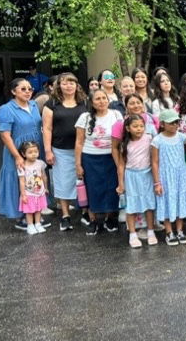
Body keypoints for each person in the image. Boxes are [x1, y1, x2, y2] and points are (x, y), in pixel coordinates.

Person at [0, 78, 45, 229]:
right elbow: (5, 135)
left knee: (35, 180)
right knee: (19, 180)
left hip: (34, 150)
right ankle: (21, 217)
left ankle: (35, 214)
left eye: (29, 89)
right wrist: (17, 156)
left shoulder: (34, 105)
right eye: (23, 89)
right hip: (17, 150)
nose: (27, 92)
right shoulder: (6, 109)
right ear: (13, 91)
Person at [75, 90, 123, 235]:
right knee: (92, 189)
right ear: (91, 102)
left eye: (104, 98)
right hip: (90, 158)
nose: (101, 101)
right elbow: (79, 142)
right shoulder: (85, 117)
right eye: (97, 99)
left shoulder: (116, 114)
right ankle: (93, 219)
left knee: (111, 188)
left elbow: (121, 139)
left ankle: (110, 217)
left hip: (111, 157)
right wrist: (78, 164)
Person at [42, 72, 87, 230]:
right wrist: (48, 150)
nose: (68, 85)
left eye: (72, 82)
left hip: (83, 149)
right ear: (58, 85)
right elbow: (47, 129)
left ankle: (86, 213)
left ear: (77, 85)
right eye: (65, 83)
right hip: (60, 149)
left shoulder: (84, 102)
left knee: (83, 181)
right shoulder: (51, 103)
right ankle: (65, 215)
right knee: (63, 182)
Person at [115, 115, 158, 248]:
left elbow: (155, 159)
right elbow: (121, 165)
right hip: (131, 176)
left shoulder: (150, 139)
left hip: (147, 175)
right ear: (128, 128)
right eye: (135, 126)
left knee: (149, 205)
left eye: (141, 126)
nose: (139, 129)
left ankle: (151, 231)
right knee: (131, 206)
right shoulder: (124, 143)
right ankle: (132, 234)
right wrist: (121, 183)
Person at [151, 109, 186, 246]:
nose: (175, 125)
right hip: (165, 175)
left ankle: (180, 230)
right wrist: (157, 182)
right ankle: (169, 231)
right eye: (171, 123)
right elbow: (155, 162)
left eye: (176, 122)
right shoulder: (157, 140)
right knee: (167, 200)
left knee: (180, 199)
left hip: (180, 173)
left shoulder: (182, 138)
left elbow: (185, 152)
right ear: (162, 124)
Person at [17, 141, 49, 235]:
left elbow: (44, 176)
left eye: (35, 151)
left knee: (38, 209)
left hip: (40, 192)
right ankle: (30, 225)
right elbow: (22, 181)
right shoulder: (22, 166)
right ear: (23, 154)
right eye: (30, 152)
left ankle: (38, 224)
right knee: (29, 210)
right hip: (29, 193)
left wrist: (46, 188)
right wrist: (23, 195)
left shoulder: (40, 163)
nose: (33, 154)